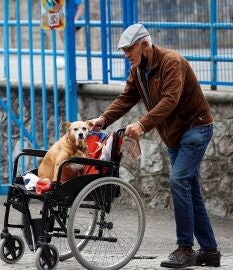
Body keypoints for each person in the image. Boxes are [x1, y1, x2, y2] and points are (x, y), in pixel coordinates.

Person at [89, 23, 221, 269]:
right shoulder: (138, 70)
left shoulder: (172, 62)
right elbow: (126, 98)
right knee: (190, 190)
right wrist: (103, 119)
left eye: (130, 49)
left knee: (178, 181)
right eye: (124, 50)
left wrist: (142, 124)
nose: (126, 54)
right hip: (174, 135)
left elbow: (170, 99)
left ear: (145, 45)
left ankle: (185, 248)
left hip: (196, 128)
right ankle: (210, 251)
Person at [56, 0, 84, 69]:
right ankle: (68, 52)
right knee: (63, 35)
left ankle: (70, 61)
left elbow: (81, 8)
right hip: (66, 21)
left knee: (69, 38)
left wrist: (74, 21)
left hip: (76, 21)